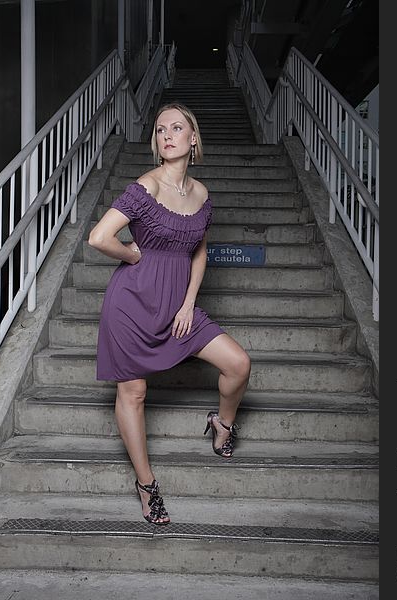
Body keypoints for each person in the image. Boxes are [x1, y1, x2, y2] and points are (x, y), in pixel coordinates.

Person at [88, 103, 251, 525]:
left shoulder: (201, 194)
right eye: (160, 129)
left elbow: (199, 252)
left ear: (193, 138)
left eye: (177, 128)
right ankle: (146, 485)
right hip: (131, 304)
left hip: (178, 305)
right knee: (134, 393)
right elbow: (99, 237)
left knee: (238, 364)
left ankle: (222, 423)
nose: (168, 135)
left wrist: (188, 302)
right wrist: (131, 254)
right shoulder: (146, 186)